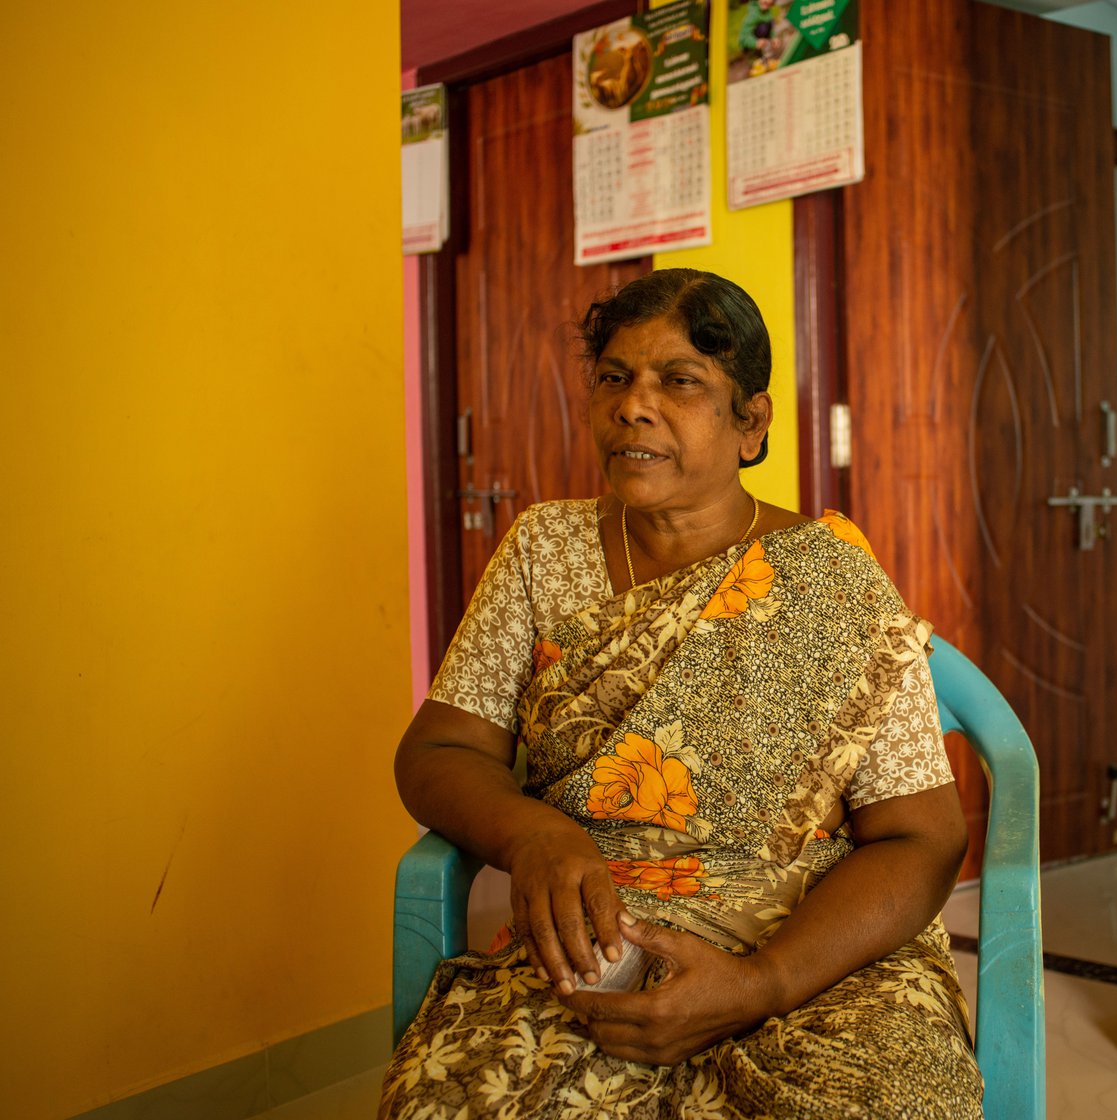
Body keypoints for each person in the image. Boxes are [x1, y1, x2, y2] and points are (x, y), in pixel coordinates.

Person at [381, 268, 982, 1119]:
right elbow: (438, 752)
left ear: (751, 421)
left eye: (681, 381)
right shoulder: (542, 552)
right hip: (599, 944)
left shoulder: (832, 575)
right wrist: (536, 835)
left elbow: (922, 839)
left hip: (811, 949)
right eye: (614, 377)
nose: (634, 405)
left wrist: (760, 983)